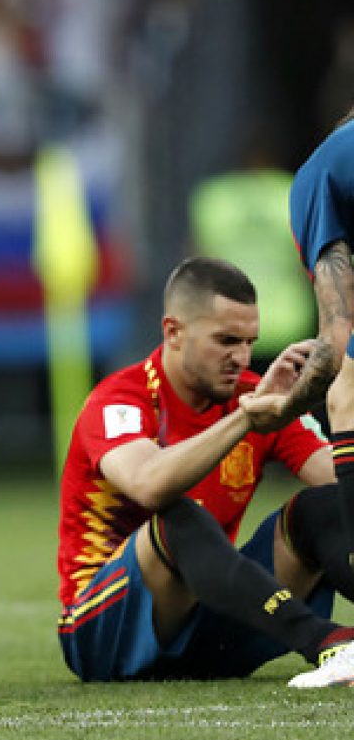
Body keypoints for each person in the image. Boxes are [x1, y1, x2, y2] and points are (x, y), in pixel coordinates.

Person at [57, 257, 354, 687]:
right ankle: (331, 644)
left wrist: (340, 402)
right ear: (173, 332)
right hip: (103, 632)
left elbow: (339, 482)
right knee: (179, 519)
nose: (242, 357)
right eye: (226, 341)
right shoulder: (119, 400)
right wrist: (246, 421)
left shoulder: (256, 397)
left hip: (208, 628)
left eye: (250, 342)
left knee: (319, 509)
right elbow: (149, 485)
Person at [241, 114, 354, 587]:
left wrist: (282, 410)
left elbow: (333, 345)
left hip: (289, 331)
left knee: (347, 390)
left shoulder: (320, 174)